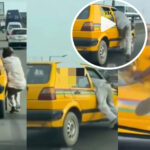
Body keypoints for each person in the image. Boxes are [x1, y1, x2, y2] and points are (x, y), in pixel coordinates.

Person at [2, 47, 26, 113]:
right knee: (17, 91)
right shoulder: (17, 59)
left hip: (13, 84)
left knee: (10, 94)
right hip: (22, 83)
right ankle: (18, 104)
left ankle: (13, 106)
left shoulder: (4, 61)